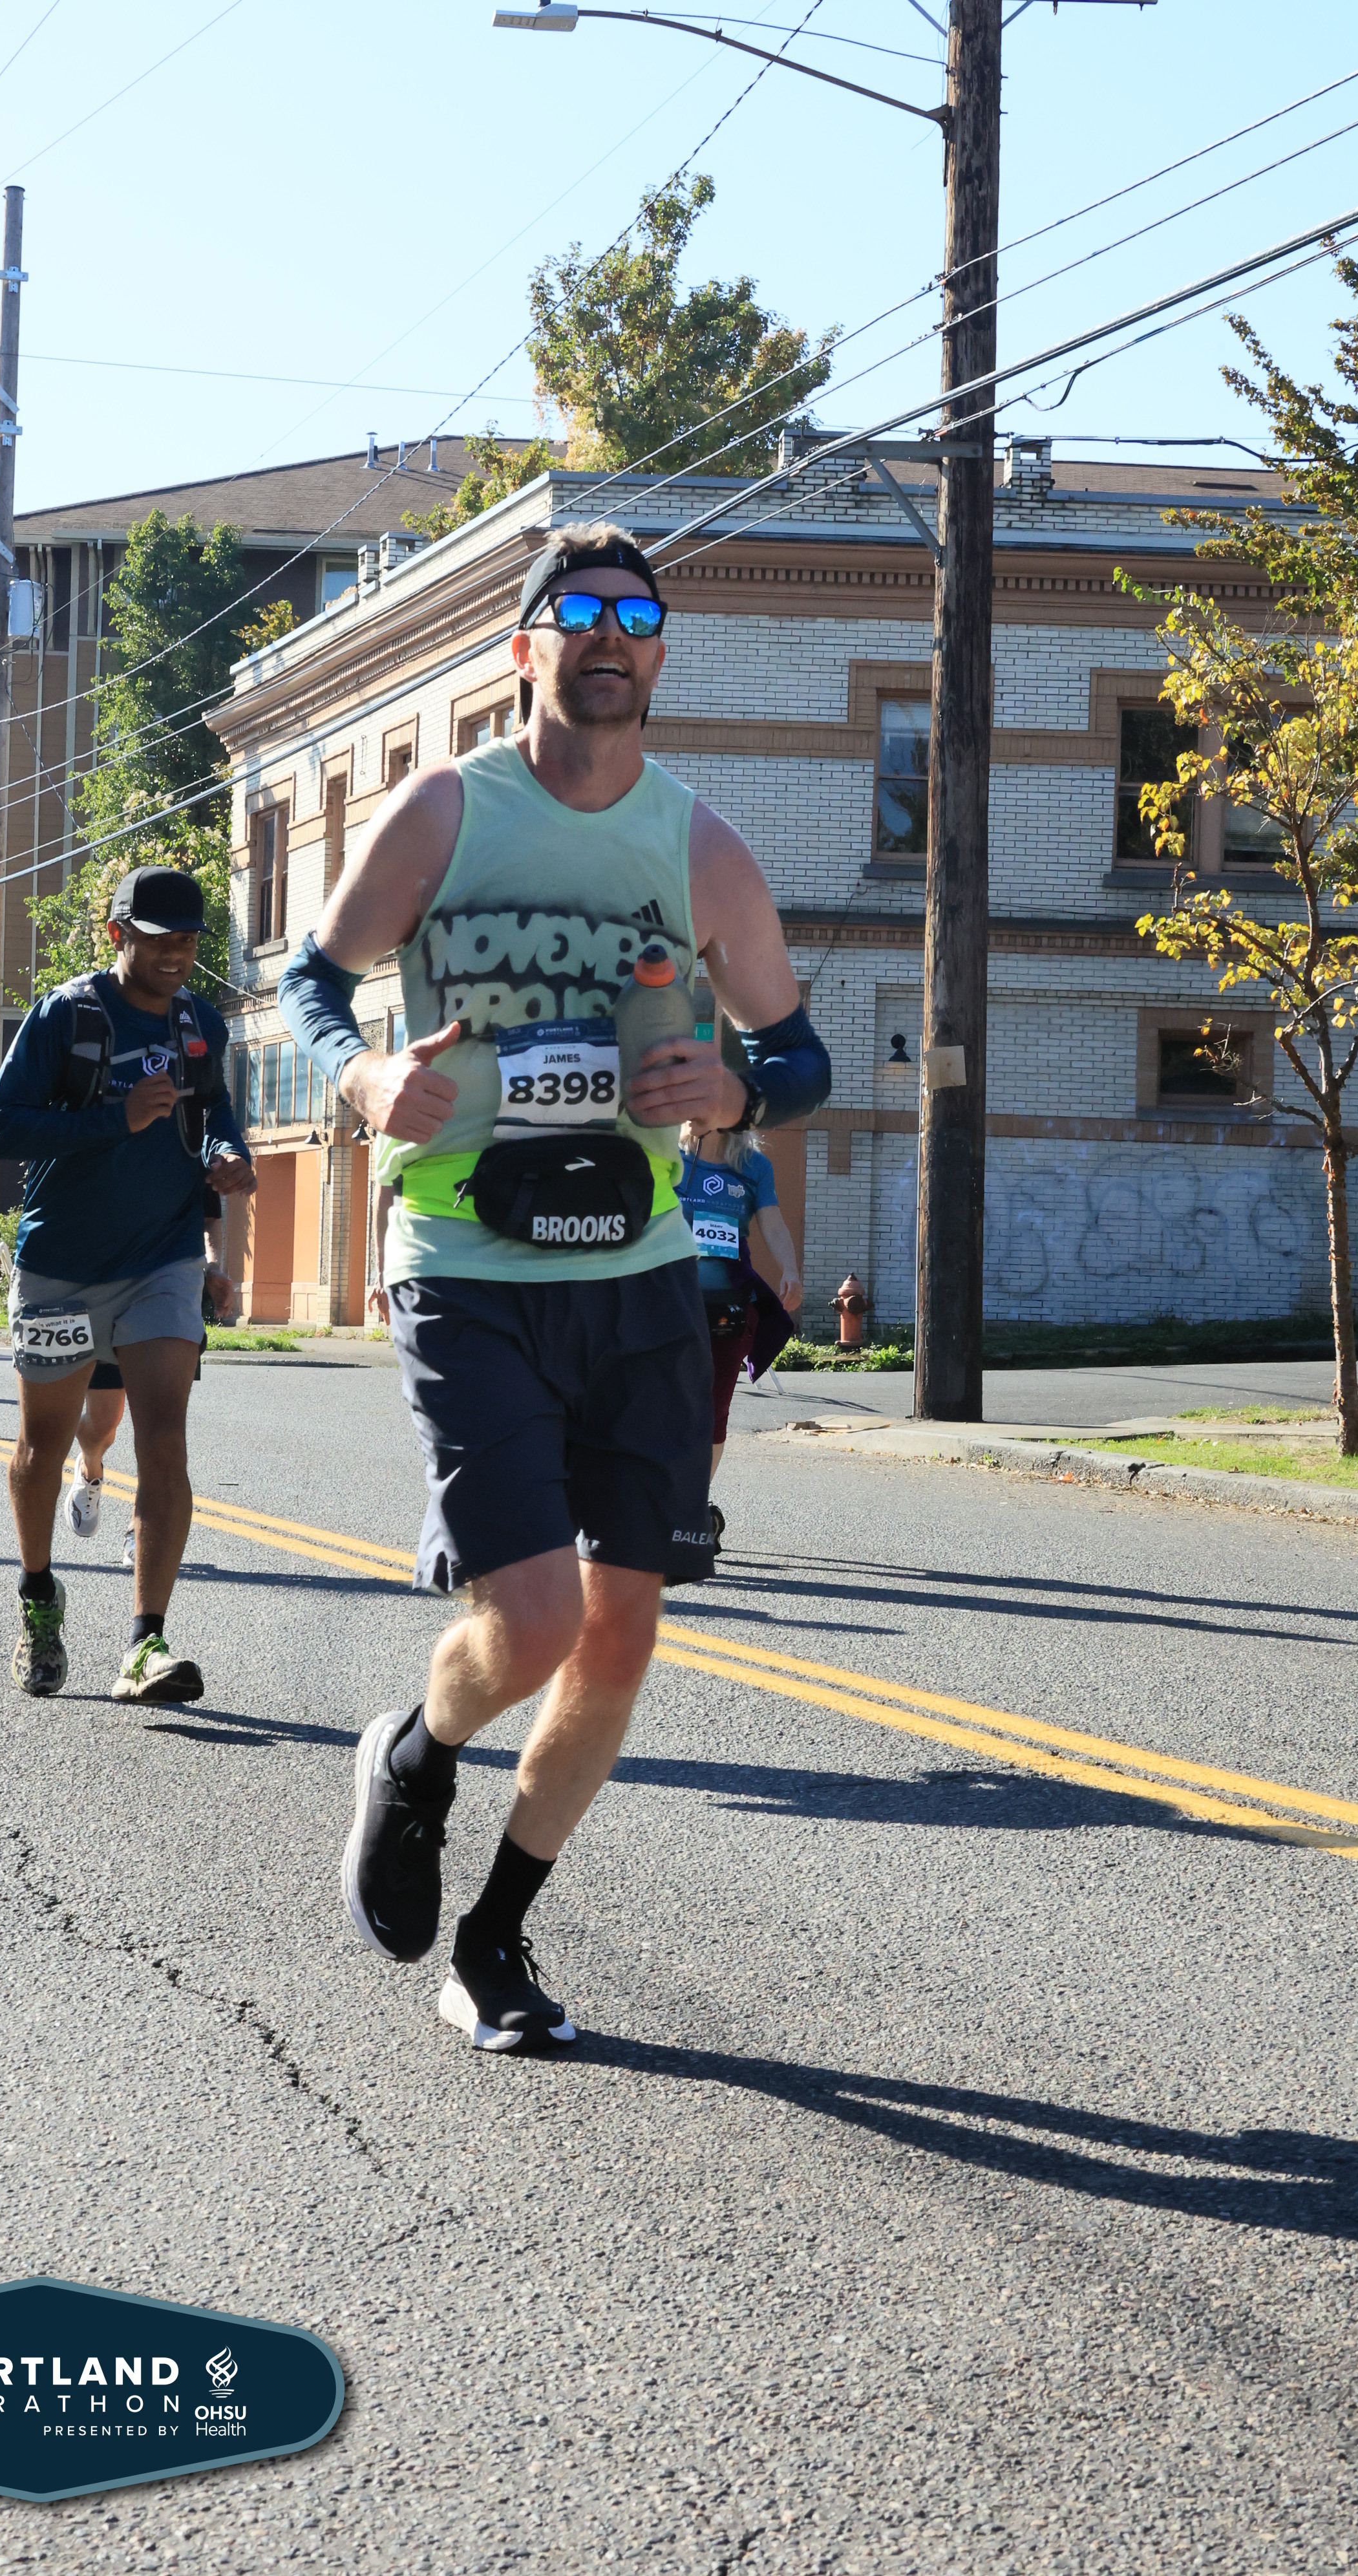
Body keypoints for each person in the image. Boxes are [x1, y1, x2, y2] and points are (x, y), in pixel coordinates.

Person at [279, 521, 831, 2053]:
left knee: (620, 1632)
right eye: (576, 611)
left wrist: (734, 1090)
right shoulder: (447, 811)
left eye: (635, 619)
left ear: (658, 657)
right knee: (528, 1621)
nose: (608, 636)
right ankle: (414, 1751)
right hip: (468, 1264)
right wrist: (363, 1075)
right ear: (524, 647)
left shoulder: (698, 847)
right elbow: (312, 982)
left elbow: (797, 1054)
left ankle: (495, 1940)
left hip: (640, 1273)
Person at [0, 864, 255, 1703]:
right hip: (62, 1265)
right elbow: (2, 1129)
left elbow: (214, 1110)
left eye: (189, 941)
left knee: (164, 1438)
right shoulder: (67, 1015)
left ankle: (146, 1644)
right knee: (43, 1448)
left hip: (164, 1259)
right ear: (117, 935)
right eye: (158, 939)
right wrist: (117, 1118)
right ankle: (39, 1596)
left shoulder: (200, 1022)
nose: (177, 955)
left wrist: (227, 1155)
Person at [64, 1186, 240, 1563]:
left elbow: (210, 1217)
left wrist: (212, 1268)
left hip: (171, 1296)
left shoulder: (191, 1150)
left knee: (159, 1432)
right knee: (103, 1425)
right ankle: (90, 1466)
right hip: (108, 1291)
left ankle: (140, 1529)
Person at [675, 1122, 802, 1551]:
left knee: (714, 1408)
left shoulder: (754, 1167)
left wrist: (789, 1268)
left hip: (727, 1303)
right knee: (659, 1403)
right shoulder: (666, 1158)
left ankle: (692, 1507)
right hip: (667, 1301)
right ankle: (663, 1502)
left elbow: (773, 1223)